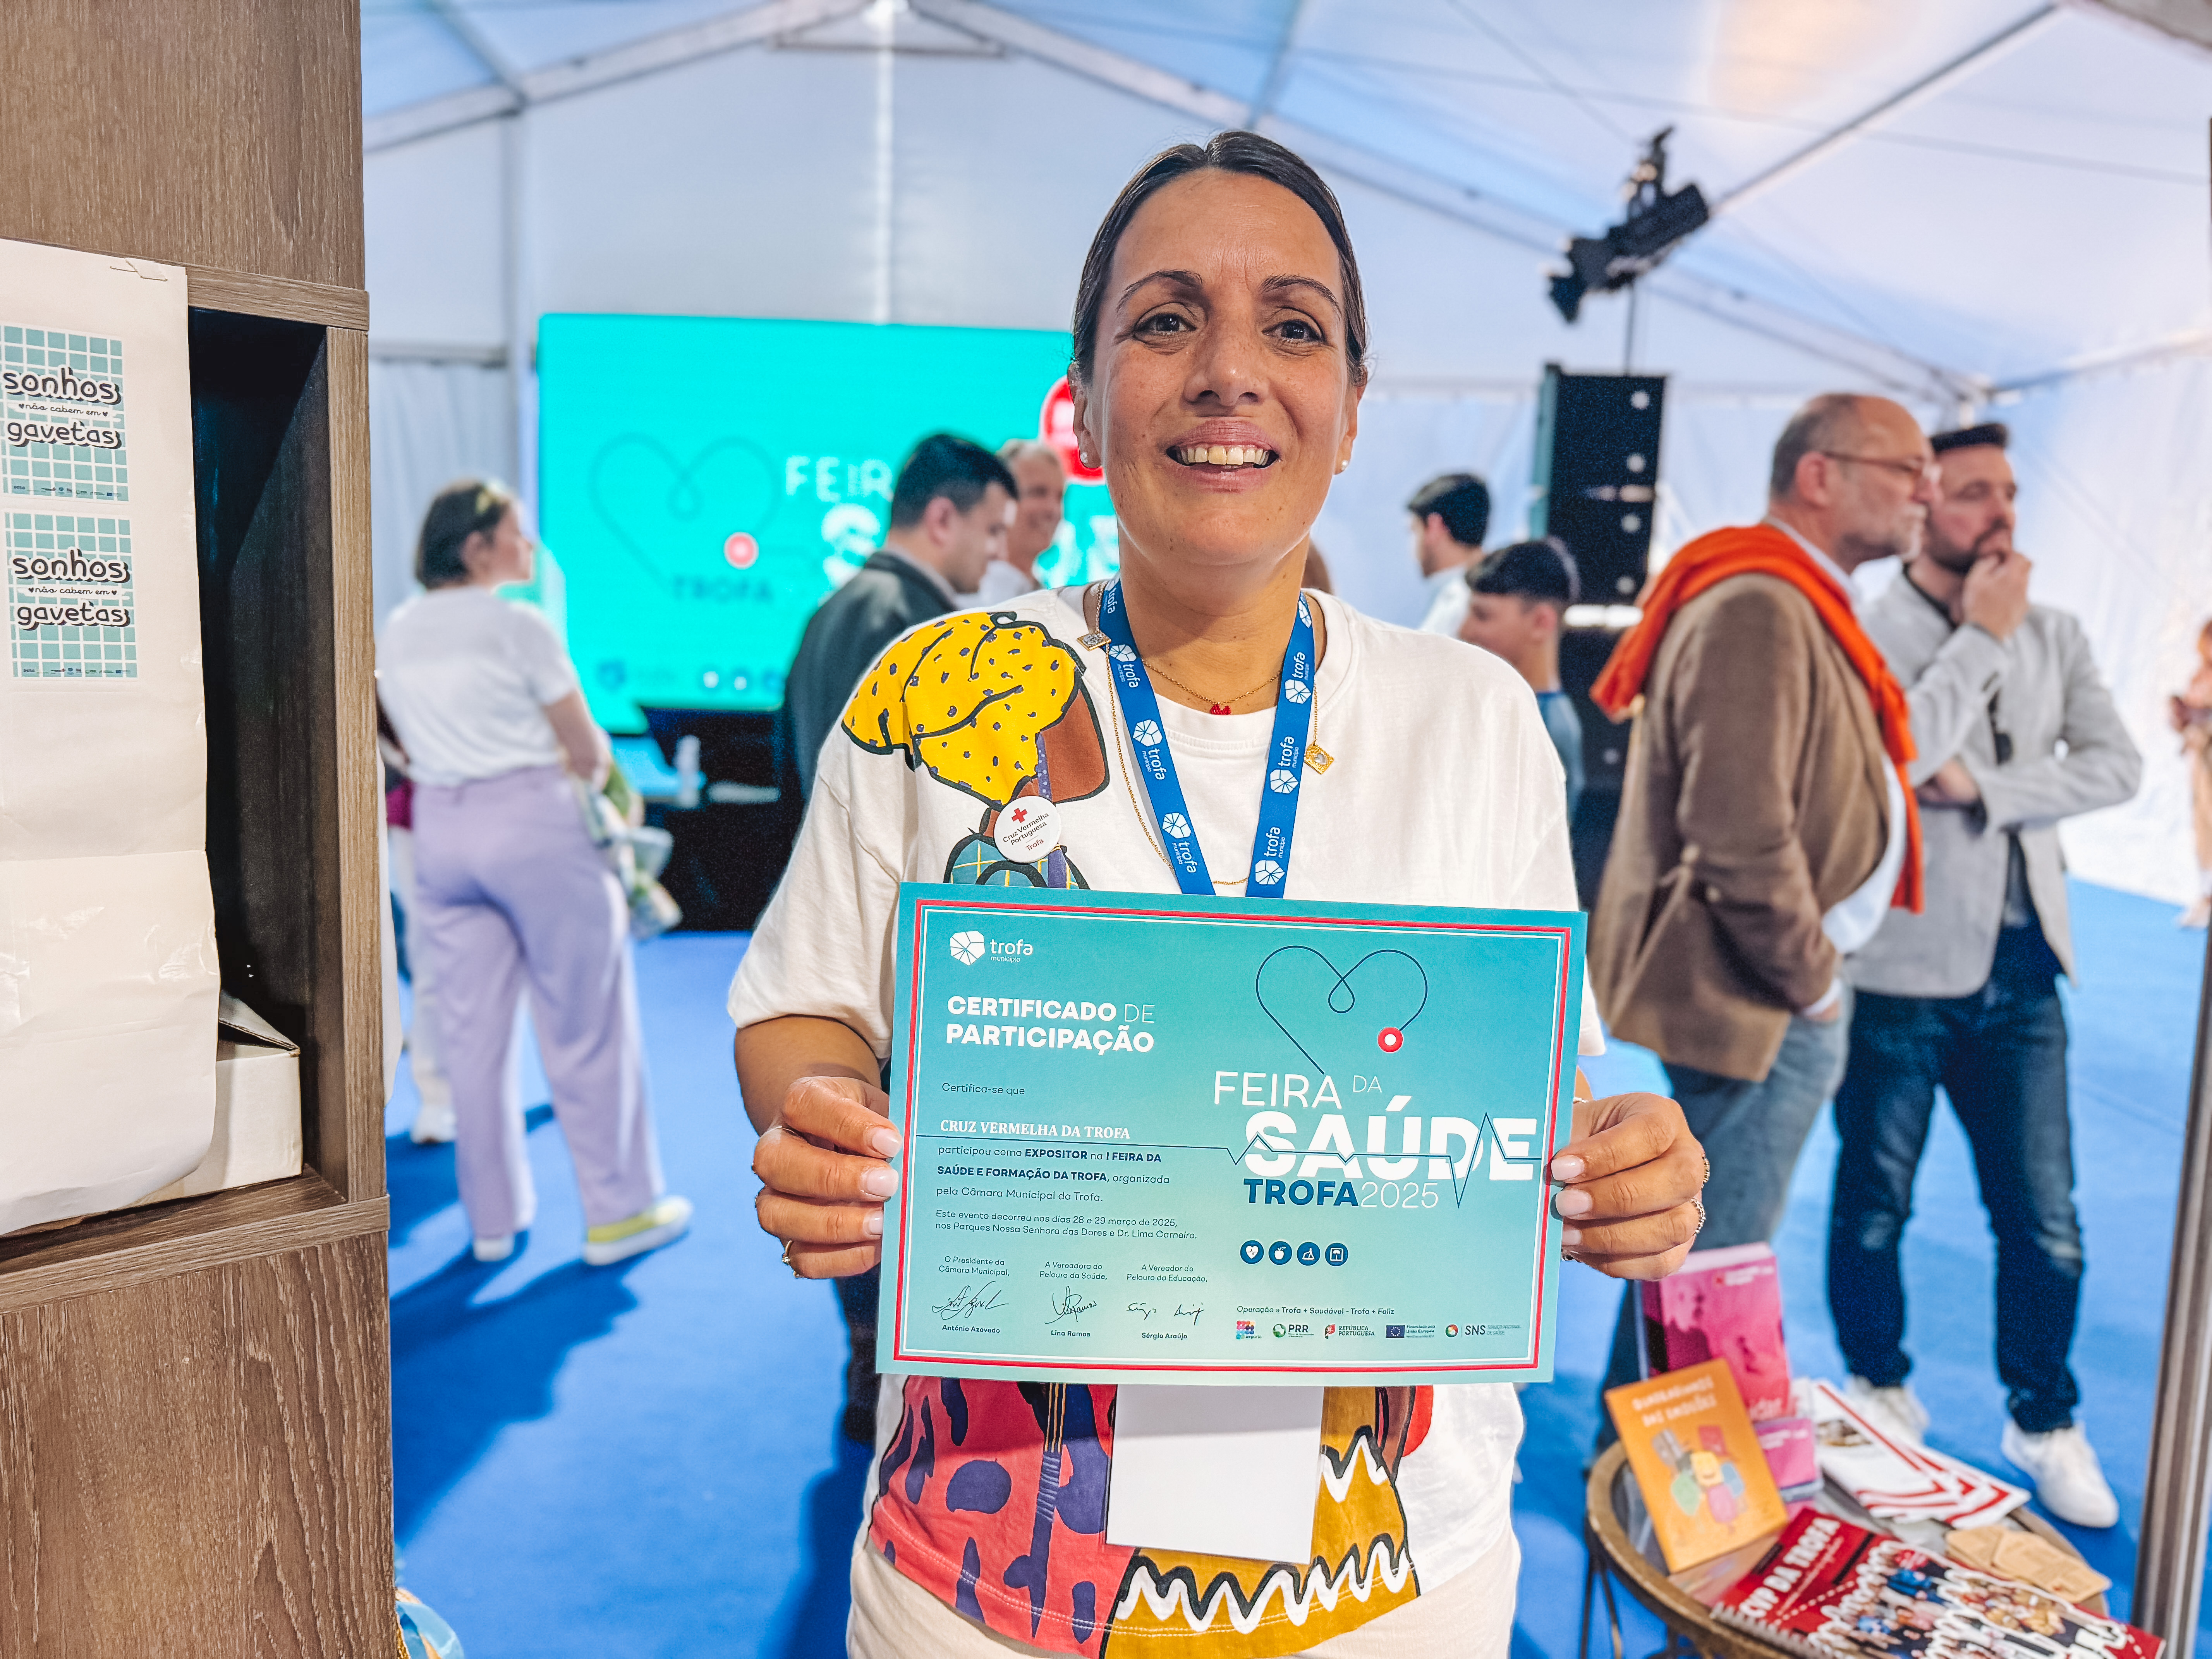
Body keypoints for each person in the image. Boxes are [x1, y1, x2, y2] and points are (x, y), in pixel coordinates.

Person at [733, 129, 1705, 1659]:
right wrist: (828, 1126)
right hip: (993, 1574)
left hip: (1396, 1579)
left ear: (1353, 406)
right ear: (1084, 395)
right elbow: (802, 1004)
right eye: (1166, 319)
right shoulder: (936, 689)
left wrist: (1623, 1161)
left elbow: (1534, 1078)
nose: (1229, 372)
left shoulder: (1477, 722)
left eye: (1294, 327)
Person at [1824, 422, 2140, 1527]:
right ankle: (1878, 1384)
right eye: (1972, 493)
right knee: (1875, 1204)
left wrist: (1993, 791)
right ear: (1922, 506)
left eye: (2007, 491)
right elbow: (1902, 754)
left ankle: (2043, 1417)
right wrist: (1980, 639)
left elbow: (2118, 765)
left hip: (2025, 973)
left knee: (2047, 1222)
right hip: (1899, 970)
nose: (1999, 512)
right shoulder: (1871, 627)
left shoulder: (2057, 631)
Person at [1588, 393, 1932, 1401]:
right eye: (1906, 470)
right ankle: (1653, 1475)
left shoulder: (1787, 594)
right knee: (1707, 1266)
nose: (1926, 492)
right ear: (1820, 475)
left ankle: (1646, 1461)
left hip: (1771, 983)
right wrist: (1813, 984)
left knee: (1700, 1254)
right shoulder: (1760, 602)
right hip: (1762, 989)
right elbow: (1739, 834)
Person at [376, 480, 690, 1266]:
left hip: (442, 831)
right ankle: (620, 1213)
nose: (530, 544)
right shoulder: (519, 625)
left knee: (470, 1036)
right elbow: (587, 749)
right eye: (517, 530)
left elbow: (400, 741)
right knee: (588, 1023)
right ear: (475, 545)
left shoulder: (399, 627)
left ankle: (492, 1221)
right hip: (535, 830)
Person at [779, 434, 1016, 800]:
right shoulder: (922, 628)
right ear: (942, 519)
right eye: (994, 531)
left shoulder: (827, 614)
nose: (1001, 553)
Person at [1457, 537, 1585, 822]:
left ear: (1541, 623)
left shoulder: (1542, 730)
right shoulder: (1520, 712)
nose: (1465, 630)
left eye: (1482, 616)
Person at [974, 438, 1066, 603]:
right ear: (999, 499)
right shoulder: (972, 597)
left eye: (1059, 497)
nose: (1054, 510)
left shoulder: (1044, 595)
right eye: (1039, 493)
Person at [1407, 471, 1489, 635]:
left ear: (1434, 527)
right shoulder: (1477, 595)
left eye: (1414, 531)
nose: (1412, 547)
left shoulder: (1462, 604)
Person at [2170, 619, 2212, 928]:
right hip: (2201, 763)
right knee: (2203, 830)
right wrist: (2181, 716)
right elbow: (2188, 716)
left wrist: (2201, 715)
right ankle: (2207, 897)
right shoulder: (2200, 674)